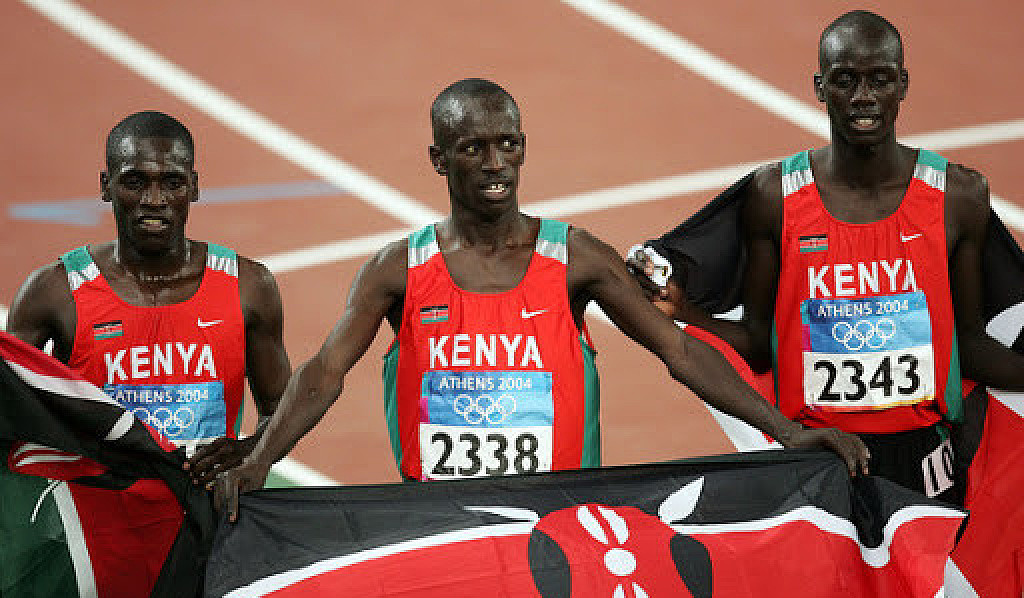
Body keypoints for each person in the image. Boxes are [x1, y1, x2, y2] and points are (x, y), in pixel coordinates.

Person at [192, 78, 868, 520]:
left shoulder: (576, 259)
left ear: (523, 149)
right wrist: (261, 458)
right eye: (473, 149)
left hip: (559, 523)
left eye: (507, 145)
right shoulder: (397, 269)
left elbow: (680, 352)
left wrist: (785, 430)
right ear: (439, 160)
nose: (494, 165)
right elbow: (325, 371)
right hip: (441, 523)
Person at [631, 11, 1024, 505]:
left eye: (880, 79)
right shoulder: (776, 197)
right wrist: (685, 312)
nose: (863, 97)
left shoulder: (957, 197)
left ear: (902, 85)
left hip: (926, 463)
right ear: (820, 87)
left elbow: (969, 343)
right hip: (818, 460)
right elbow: (760, 344)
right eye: (845, 80)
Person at [5, 111, 290, 598]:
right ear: (106, 186)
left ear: (195, 187)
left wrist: (253, 450)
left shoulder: (249, 287)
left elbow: (281, 406)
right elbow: (10, 407)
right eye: (135, 181)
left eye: (171, 182)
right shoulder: (53, 293)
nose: (154, 200)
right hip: (101, 537)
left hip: (201, 529)